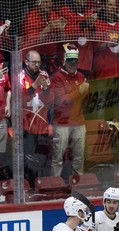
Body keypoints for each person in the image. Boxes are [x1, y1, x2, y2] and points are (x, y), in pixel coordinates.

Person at [50, 44, 89, 178]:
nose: (73, 64)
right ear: (64, 61)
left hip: (78, 121)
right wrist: (79, 91)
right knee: (58, 157)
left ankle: (79, 183)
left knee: (79, 156)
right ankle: (54, 183)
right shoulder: (56, 77)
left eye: (75, 62)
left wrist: (82, 93)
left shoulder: (81, 76)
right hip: (62, 123)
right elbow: (60, 101)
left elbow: (85, 99)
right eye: (70, 61)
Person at [20, 50, 54, 187]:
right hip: (27, 126)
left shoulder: (44, 74)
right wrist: (35, 85)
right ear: (26, 62)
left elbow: (51, 100)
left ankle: (44, 187)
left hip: (42, 125)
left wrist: (45, 88)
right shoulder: (21, 76)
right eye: (34, 62)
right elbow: (21, 99)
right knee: (28, 161)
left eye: (39, 62)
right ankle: (29, 187)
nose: (37, 65)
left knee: (44, 160)